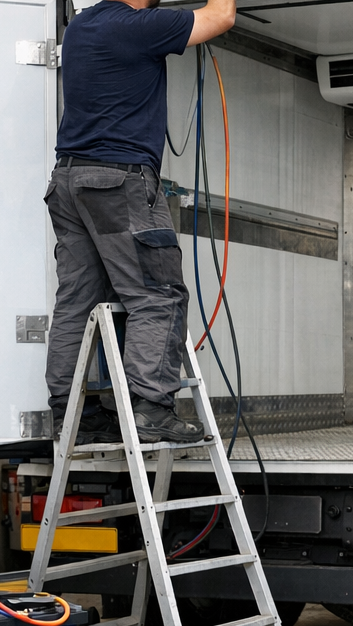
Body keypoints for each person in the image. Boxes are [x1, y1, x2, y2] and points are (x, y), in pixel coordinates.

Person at [43, 0, 236, 443]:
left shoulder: (82, 25)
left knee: (77, 302)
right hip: (119, 182)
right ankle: (151, 409)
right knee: (158, 295)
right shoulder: (141, 26)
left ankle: (73, 416)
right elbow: (221, 15)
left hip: (69, 181)